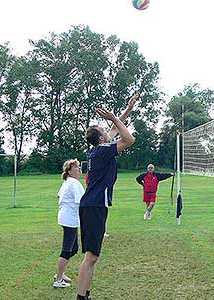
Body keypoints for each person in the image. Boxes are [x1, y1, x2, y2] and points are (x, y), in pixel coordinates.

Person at [76, 95, 137, 300]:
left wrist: (127, 110)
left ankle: (85, 294)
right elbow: (128, 139)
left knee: (93, 256)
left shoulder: (98, 149)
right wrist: (113, 117)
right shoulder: (102, 150)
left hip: (92, 205)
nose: (107, 130)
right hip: (94, 206)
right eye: (104, 130)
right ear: (101, 139)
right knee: (91, 256)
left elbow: (115, 128)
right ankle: (80, 296)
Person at [54, 159, 85, 288]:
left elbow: (59, 196)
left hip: (67, 218)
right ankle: (59, 279)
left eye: (79, 167)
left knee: (74, 249)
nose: (79, 169)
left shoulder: (68, 182)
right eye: (76, 167)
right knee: (67, 250)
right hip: (69, 220)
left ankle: (60, 273)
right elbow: (81, 202)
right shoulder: (74, 184)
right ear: (69, 171)